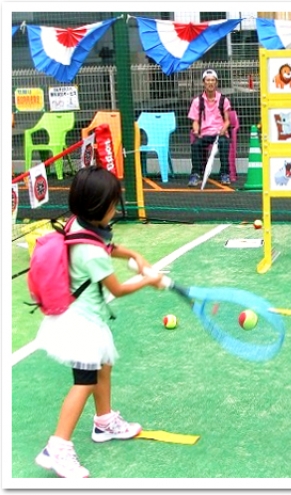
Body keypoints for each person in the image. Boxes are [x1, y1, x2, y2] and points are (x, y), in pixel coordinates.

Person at [34, 166, 163, 478]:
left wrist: (134, 254)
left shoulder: (80, 224)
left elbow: (107, 246)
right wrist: (149, 280)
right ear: (98, 207)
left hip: (86, 317)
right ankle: (57, 448)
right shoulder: (91, 253)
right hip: (80, 325)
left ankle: (104, 423)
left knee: (103, 365)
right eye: (113, 204)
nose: (116, 209)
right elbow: (116, 288)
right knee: (84, 382)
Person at [187, 69, 232, 187]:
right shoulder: (197, 101)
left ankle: (225, 174)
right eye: (208, 80)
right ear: (203, 83)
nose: (210, 83)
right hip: (205, 133)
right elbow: (195, 121)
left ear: (216, 83)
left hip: (219, 133)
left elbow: (227, 121)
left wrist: (223, 129)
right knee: (196, 144)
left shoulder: (223, 100)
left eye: (213, 80)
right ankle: (196, 174)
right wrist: (196, 131)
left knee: (224, 143)